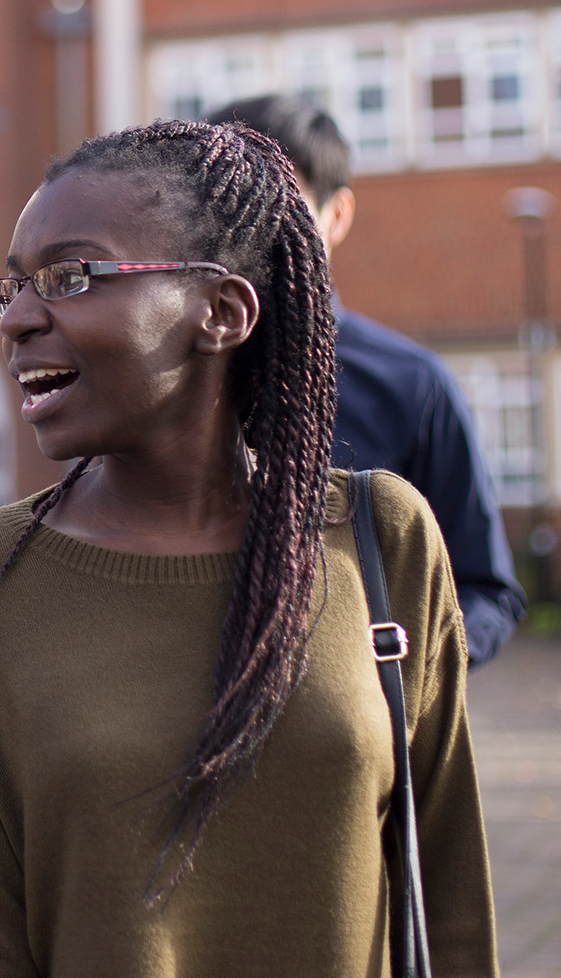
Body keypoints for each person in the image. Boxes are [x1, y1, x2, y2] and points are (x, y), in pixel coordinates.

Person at [0, 121, 496, 976]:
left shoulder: (381, 537)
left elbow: (451, 900)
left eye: (70, 276)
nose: (21, 318)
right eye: (13, 287)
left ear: (220, 312)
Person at [212, 94, 524, 665]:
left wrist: (392, 677)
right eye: (227, 206)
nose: (250, 231)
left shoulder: (412, 385)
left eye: (281, 206)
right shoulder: (166, 375)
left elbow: (483, 590)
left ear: (337, 215)